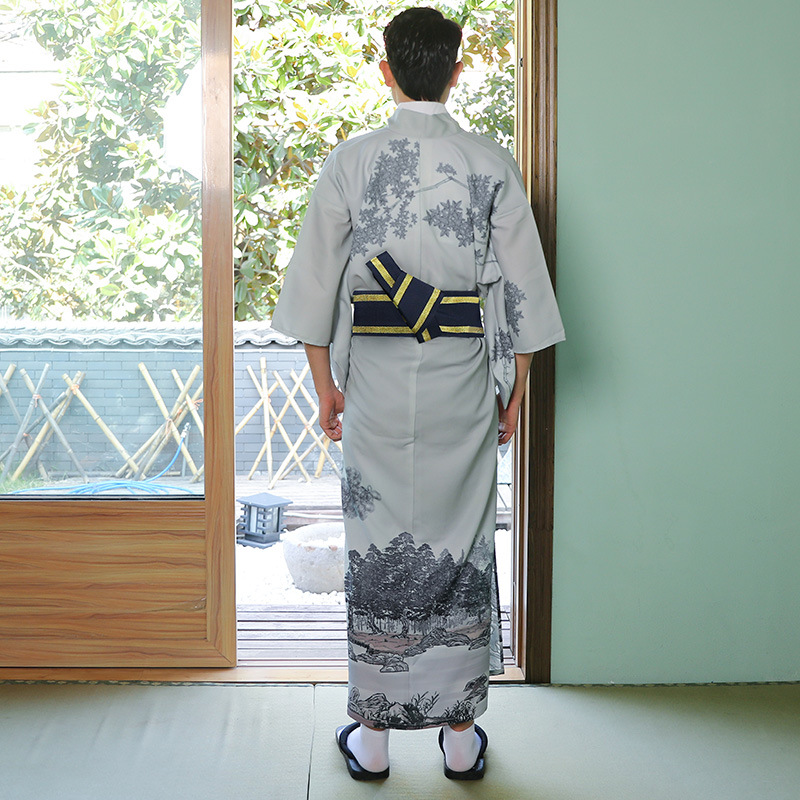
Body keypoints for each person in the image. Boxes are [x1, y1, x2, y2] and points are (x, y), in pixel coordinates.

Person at [270, 6, 565, 781]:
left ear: (386, 71)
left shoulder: (352, 162)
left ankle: (371, 738)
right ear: (457, 72)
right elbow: (526, 297)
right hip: (462, 381)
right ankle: (461, 739)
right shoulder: (490, 162)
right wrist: (513, 396)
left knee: (377, 545)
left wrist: (326, 388)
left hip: (374, 378)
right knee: (460, 545)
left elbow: (314, 284)